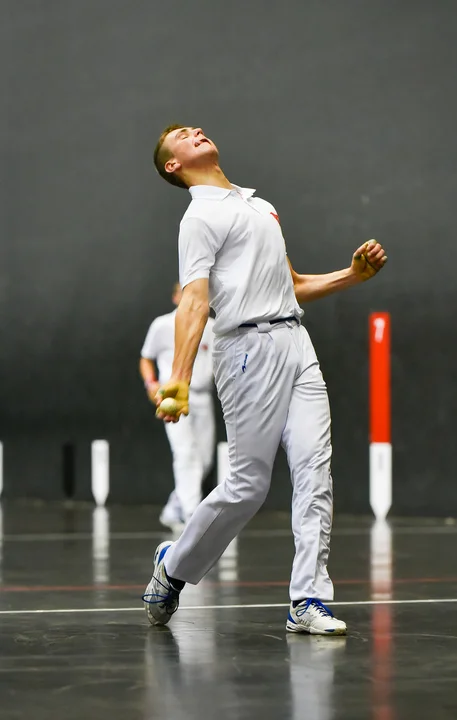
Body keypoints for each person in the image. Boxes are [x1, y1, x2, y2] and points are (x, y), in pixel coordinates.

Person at [142, 125, 387, 635]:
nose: (195, 131)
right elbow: (194, 300)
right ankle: (174, 566)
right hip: (246, 350)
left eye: (195, 127)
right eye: (182, 136)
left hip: (297, 343)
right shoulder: (199, 217)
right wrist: (178, 380)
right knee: (248, 486)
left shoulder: (260, 206)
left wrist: (352, 275)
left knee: (315, 471)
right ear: (173, 165)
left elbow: (293, 285)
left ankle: (308, 599)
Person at [139, 281, 215, 529]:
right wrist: (151, 384)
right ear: (175, 298)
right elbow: (146, 359)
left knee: (204, 460)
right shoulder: (162, 325)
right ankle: (192, 517)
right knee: (185, 454)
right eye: (185, 294)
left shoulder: (212, 327)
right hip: (172, 397)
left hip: (203, 398)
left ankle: (174, 508)